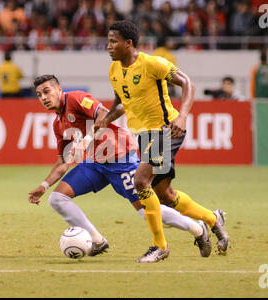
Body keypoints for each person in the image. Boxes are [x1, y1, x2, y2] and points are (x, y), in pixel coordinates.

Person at [27, 75, 212, 259]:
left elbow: (103, 113)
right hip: (95, 164)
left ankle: (198, 228)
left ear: (59, 89)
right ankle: (97, 240)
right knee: (57, 198)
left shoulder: (75, 98)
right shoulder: (58, 124)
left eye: (46, 91)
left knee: (145, 210)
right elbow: (64, 161)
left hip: (120, 158)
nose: (43, 97)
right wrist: (43, 186)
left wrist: (87, 140)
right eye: (39, 94)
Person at [96, 20, 229, 263]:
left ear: (129, 44)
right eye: (108, 41)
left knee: (140, 181)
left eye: (113, 42)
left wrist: (184, 117)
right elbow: (121, 104)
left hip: (166, 130)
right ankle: (212, 219)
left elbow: (187, 83)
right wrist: (105, 119)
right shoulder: (114, 70)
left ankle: (160, 246)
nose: (108, 46)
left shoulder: (152, 63)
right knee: (165, 195)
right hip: (144, 135)